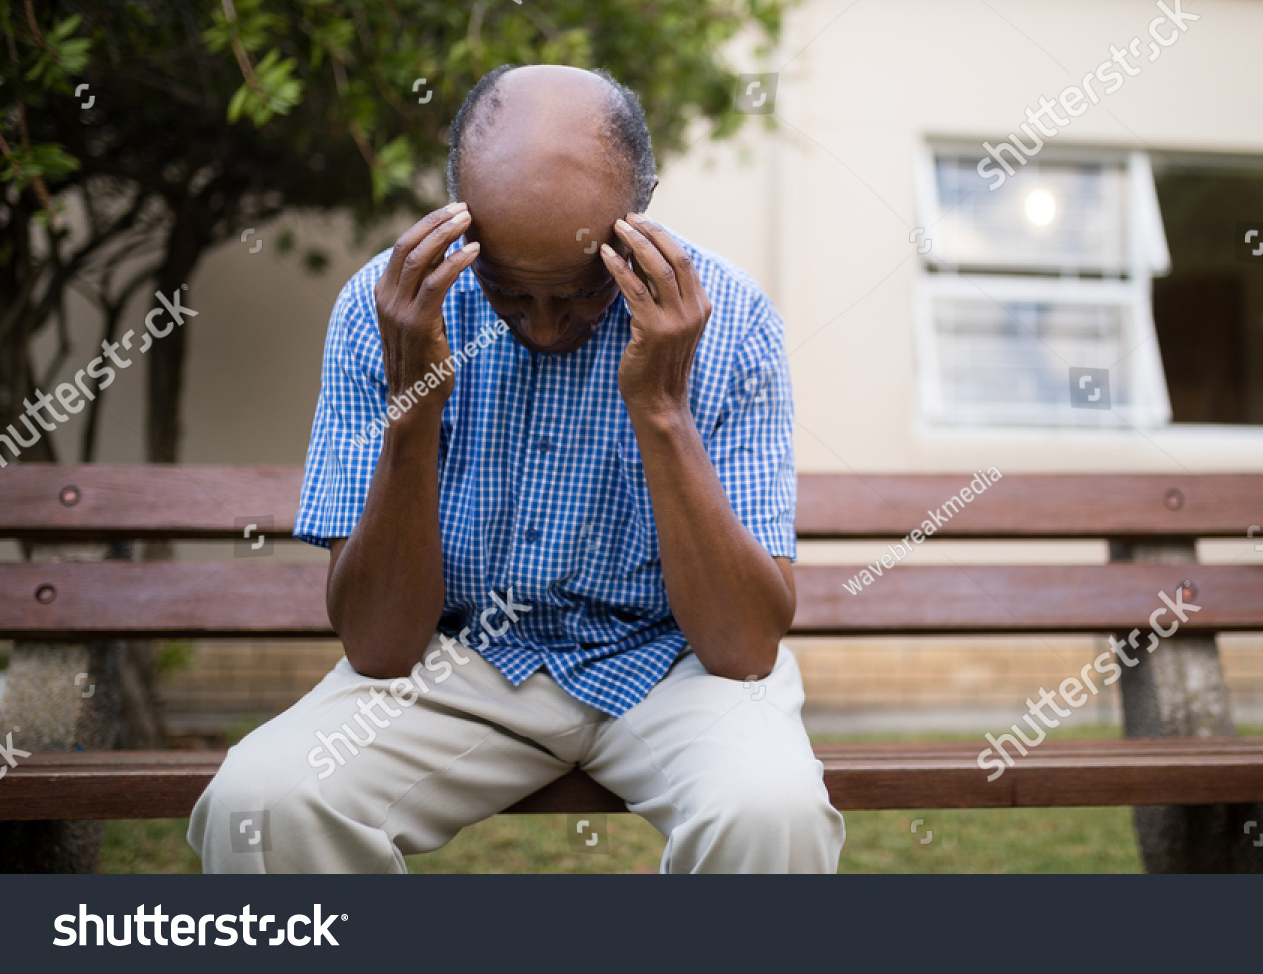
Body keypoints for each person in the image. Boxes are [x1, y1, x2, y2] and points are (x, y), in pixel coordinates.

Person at [187, 64, 845, 873]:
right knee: (261, 804)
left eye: (578, 292)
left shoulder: (732, 320)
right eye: (506, 289)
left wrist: (663, 411)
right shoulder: (384, 309)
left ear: (639, 211)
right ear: (458, 211)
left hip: (676, 667)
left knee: (770, 812)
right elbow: (380, 644)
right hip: (460, 662)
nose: (542, 325)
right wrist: (415, 400)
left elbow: (743, 648)